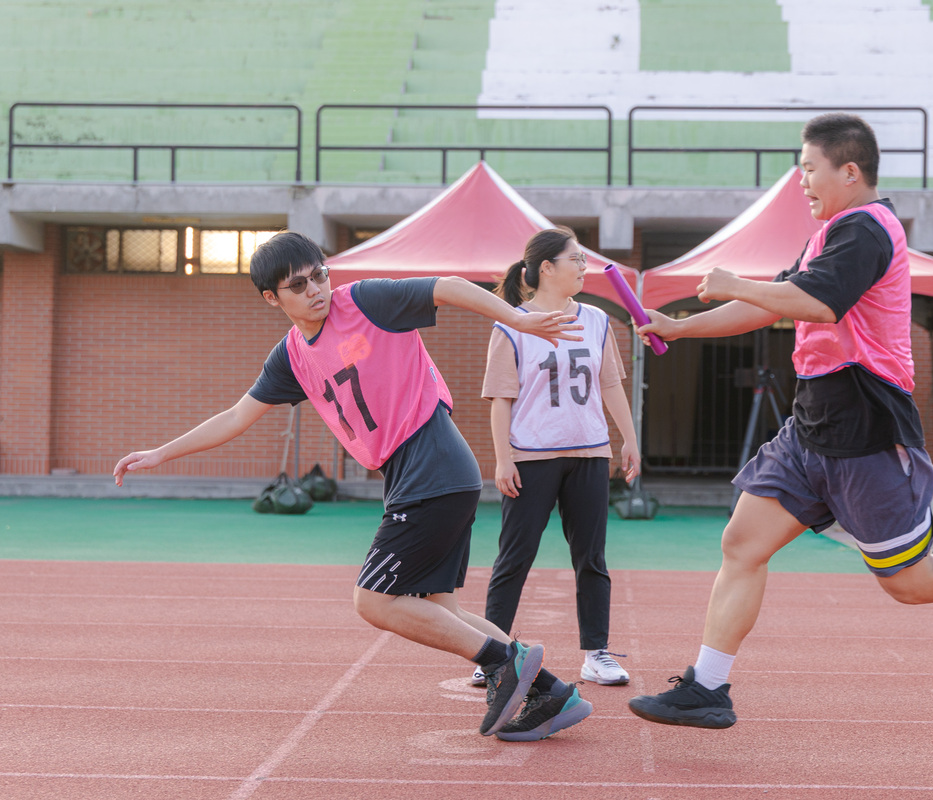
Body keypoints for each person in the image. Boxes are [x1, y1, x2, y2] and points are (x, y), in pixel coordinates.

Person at [626, 113, 933, 730]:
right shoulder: (831, 234)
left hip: (864, 425)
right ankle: (708, 686)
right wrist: (680, 325)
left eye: (809, 168)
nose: (801, 180)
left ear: (850, 170)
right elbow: (773, 305)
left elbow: (815, 301)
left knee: (911, 582)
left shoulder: (867, 229)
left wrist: (739, 281)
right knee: (742, 544)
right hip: (812, 423)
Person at [112, 231, 594, 742]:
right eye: (299, 285)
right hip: (419, 474)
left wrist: (516, 318)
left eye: (320, 273)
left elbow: (448, 286)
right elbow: (237, 415)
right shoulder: (293, 355)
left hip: (432, 463)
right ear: (273, 298)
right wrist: (162, 452)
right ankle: (550, 692)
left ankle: (504, 665)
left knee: (375, 601)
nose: (316, 289)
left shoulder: (366, 301)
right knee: (440, 610)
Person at [470, 227, 641, 692]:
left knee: (592, 557)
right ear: (547, 268)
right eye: (576, 259)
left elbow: (609, 385)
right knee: (514, 557)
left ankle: (597, 654)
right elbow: (501, 399)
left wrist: (629, 438)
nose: (584, 267)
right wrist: (503, 459)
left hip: (588, 451)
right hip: (531, 455)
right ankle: (493, 654)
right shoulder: (512, 324)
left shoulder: (597, 321)